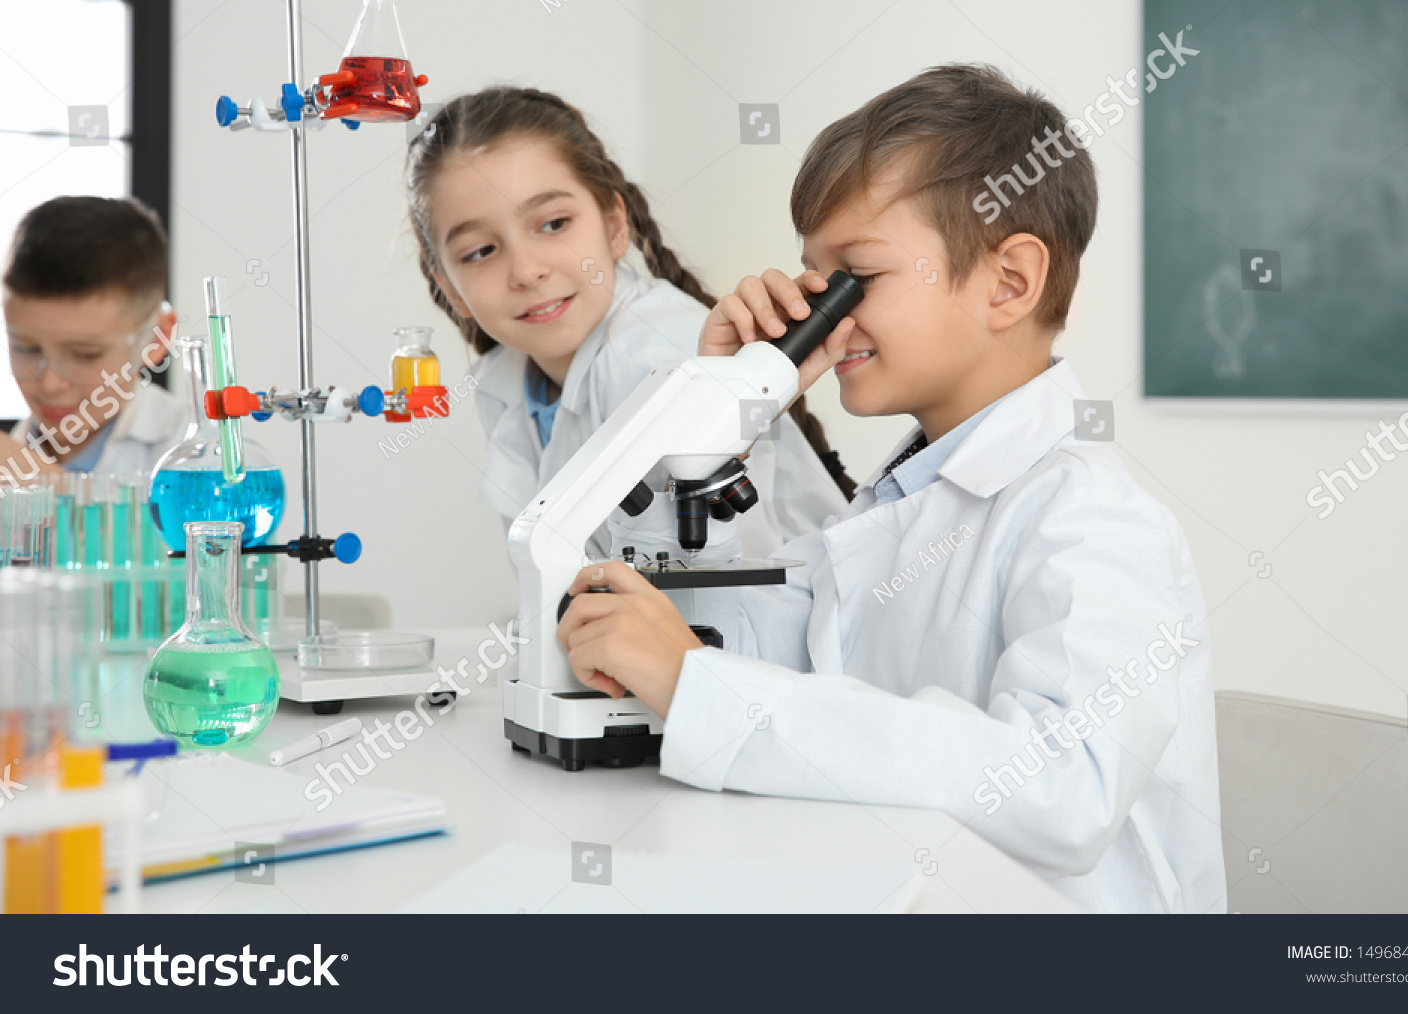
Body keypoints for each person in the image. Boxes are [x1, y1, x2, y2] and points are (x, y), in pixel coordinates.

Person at [551, 64, 1227, 913]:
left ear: (1009, 282)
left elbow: (1064, 789)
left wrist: (701, 685)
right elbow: (732, 643)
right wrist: (710, 412)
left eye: (855, 279)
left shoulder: (1094, 517)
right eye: (813, 278)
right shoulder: (902, 499)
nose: (816, 315)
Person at [404, 87, 852, 563]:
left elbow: (723, 584)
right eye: (480, 251)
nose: (525, 271)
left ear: (616, 226)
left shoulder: (652, 357)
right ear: (450, 290)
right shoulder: (505, 381)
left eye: (553, 223)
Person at [1, 196, 185, 485]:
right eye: (27, 348)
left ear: (157, 338)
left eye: (85, 354)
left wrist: (43, 484)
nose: (50, 383)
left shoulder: (201, 455)